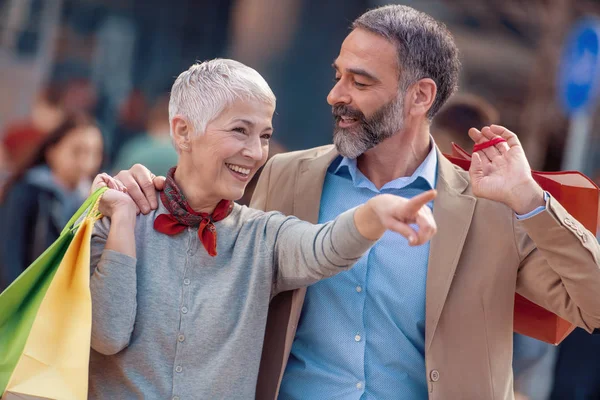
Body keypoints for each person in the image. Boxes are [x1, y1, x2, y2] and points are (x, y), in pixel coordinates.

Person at [116, 6, 600, 400]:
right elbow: (195, 259)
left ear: (419, 97)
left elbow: (592, 307)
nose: (335, 95)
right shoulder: (285, 177)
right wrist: (145, 191)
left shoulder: (491, 208)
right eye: (338, 75)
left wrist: (529, 198)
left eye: (360, 82)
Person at [87, 59, 437, 399]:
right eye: (240, 130)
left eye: (265, 135)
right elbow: (108, 334)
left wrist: (375, 213)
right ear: (183, 131)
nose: (256, 152)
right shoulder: (116, 218)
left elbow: (323, 247)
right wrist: (121, 221)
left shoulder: (262, 237)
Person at [0, 114, 103, 290]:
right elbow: (8, 255)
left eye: (94, 152)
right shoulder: (27, 191)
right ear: (52, 151)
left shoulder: (96, 201)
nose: (86, 162)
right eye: (77, 151)